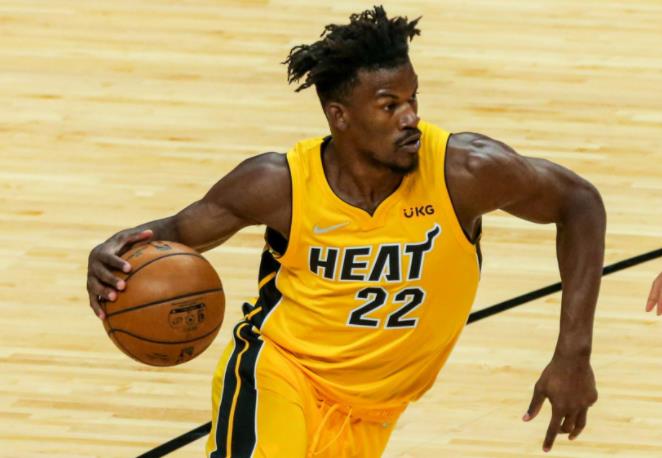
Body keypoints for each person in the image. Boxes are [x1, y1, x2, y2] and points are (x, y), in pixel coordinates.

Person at [86, 6, 605, 457]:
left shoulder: (464, 172)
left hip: (374, 412)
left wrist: (573, 353)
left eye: (413, 99)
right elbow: (176, 230)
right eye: (389, 105)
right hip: (279, 376)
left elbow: (579, 204)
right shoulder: (280, 183)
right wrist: (111, 254)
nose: (411, 118)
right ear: (340, 116)